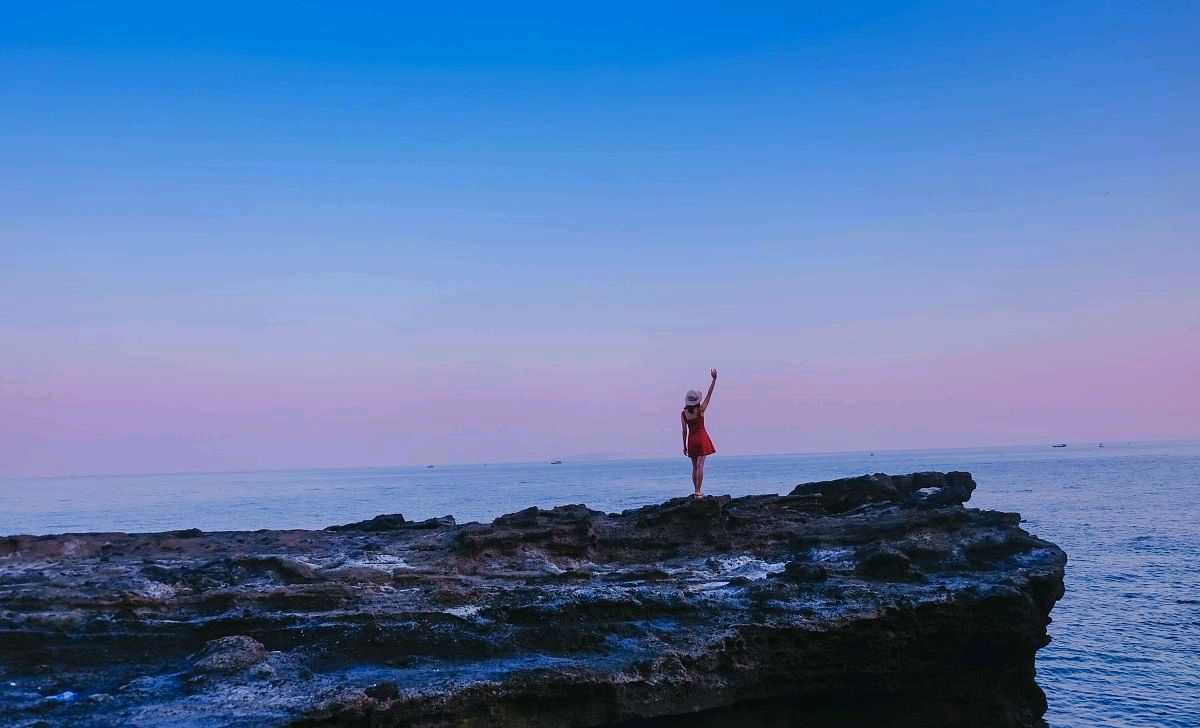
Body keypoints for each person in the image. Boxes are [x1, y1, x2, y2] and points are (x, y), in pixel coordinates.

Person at [681, 369, 718, 498]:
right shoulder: (700, 410)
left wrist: (684, 445)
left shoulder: (684, 414)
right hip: (701, 439)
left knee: (694, 467)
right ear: (696, 400)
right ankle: (699, 492)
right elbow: (709, 394)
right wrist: (714, 380)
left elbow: (684, 431)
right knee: (700, 466)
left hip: (691, 440)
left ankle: (695, 490)